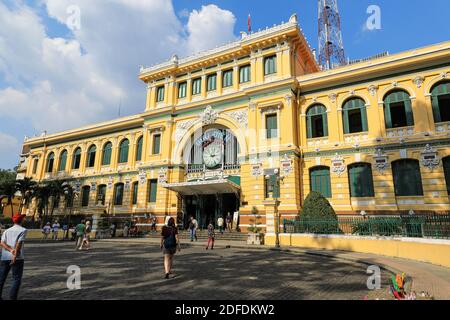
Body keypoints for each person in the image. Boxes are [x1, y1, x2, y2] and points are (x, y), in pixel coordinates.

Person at [0, 213, 27, 300]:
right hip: (17, 258)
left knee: (2, 278)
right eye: (23, 218)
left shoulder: (7, 231)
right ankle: (12, 297)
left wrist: (10, 250)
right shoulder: (23, 230)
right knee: (16, 279)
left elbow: (2, 243)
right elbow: (19, 243)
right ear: (21, 220)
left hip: (4, 257)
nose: (24, 220)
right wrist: (15, 255)